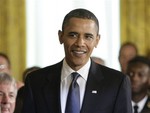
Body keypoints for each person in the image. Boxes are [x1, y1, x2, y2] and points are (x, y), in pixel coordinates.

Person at [22, 8, 132, 113]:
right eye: (73, 35)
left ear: (97, 40)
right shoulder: (35, 81)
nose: (80, 43)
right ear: (61, 36)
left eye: (88, 37)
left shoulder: (117, 83)